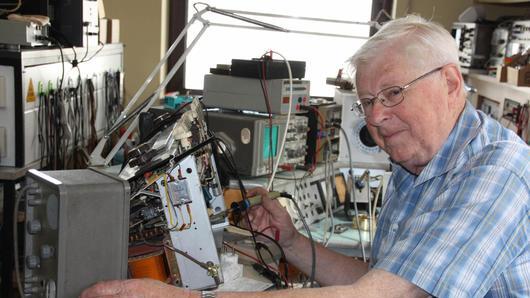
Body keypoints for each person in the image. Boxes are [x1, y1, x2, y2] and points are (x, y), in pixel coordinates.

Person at [81, 15, 529, 298]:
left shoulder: (495, 174)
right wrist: (292, 242)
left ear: (451, 83)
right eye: (367, 101)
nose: (376, 117)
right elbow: (374, 278)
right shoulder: (416, 169)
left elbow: (386, 294)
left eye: (393, 94)